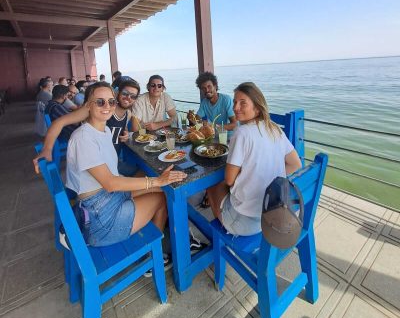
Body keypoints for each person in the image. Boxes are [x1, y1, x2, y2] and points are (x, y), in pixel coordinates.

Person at [64, 81, 186, 247]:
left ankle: (175, 233)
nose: (107, 106)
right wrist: (156, 181)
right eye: (100, 101)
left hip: (107, 199)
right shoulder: (83, 138)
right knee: (160, 197)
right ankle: (155, 251)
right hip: (100, 218)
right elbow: (110, 183)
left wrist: (157, 184)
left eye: (111, 101)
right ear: (88, 105)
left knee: (163, 190)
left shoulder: (104, 130)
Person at [207, 82, 302, 236]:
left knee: (212, 186)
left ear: (257, 107)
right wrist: (268, 179)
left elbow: (230, 180)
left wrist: (248, 178)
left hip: (246, 224)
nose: (236, 108)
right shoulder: (274, 128)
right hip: (271, 213)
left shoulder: (242, 133)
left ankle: (219, 233)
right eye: (235, 102)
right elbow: (295, 164)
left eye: (242, 103)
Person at [35, 79, 141, 176]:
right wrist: (47, 149)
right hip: (95, 165)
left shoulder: (128, 114)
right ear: (118, 93)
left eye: (133, 96)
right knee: (142, 174)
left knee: (141, 172)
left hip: (113, 161)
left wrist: (125, 133)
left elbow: (118, 128)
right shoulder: (96, 108)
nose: (128, 98)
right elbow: (59, 122)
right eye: (125, 93)